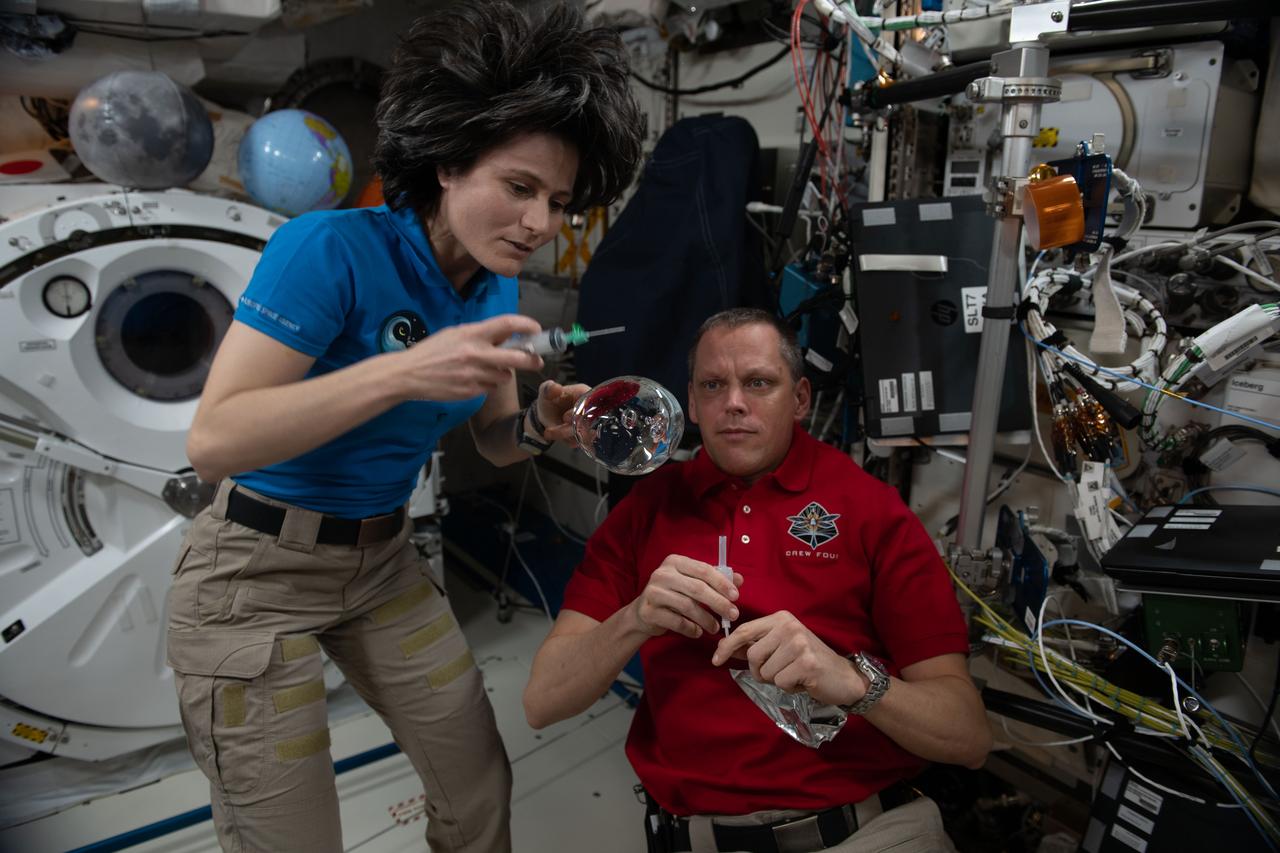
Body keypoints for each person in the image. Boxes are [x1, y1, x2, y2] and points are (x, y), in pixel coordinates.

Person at [165, 3, 645, 851]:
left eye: (561, 201)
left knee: (479, 784)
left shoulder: (495, 285)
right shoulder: (331, 249)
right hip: (255, 574)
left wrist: (539, 421)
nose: (541, 224)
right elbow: (216, 439)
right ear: (450, 164)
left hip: (382, 565)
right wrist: (402, 372)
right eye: (520, 187)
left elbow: (494, 439)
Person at [523, 308, 992, 853]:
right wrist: (633, 620)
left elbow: (969, 737)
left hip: (861, 831)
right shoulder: (646, 511)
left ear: (800, 400)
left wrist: (852, 682)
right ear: (691, 403)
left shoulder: (871, 512)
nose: (734, 403)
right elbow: (542, 701)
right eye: (713, 385)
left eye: (759, 383)